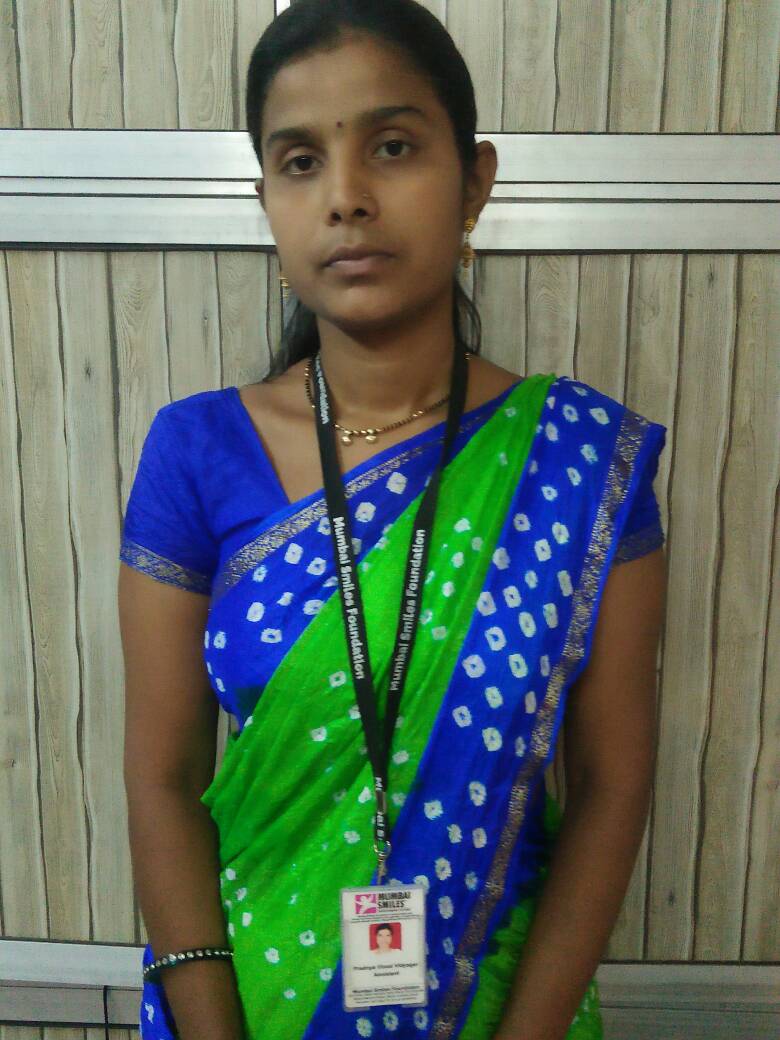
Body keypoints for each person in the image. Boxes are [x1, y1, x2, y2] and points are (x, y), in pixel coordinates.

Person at [118, 2, 668, 1039]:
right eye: (300, 162)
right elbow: (161, 778)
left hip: (502, 1005)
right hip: (249, 1002)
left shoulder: (580, 460)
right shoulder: (195, 452)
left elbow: (612, 784)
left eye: (394, 147)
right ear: (267, 201)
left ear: (475, 182)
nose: (346, 197)